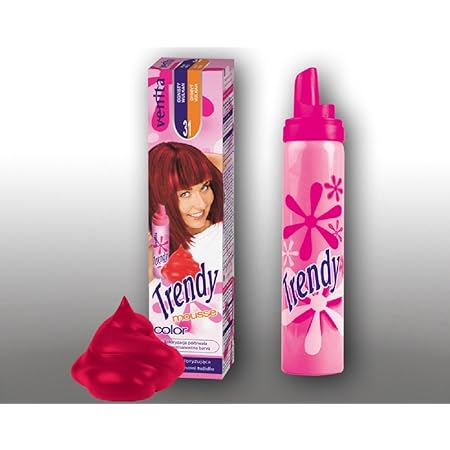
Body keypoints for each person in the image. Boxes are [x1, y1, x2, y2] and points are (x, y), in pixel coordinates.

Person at [148, 142, 223, 282]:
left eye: (205, 187)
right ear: (159, 197)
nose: (201, 204)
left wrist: (190, 161)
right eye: (185, 194)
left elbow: (229, 164)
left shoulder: (221, 231)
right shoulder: (156, 250)